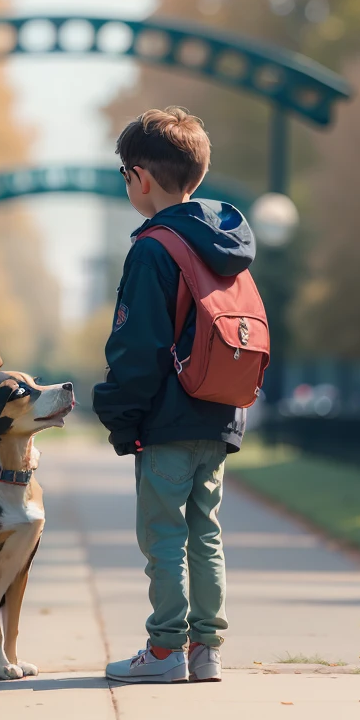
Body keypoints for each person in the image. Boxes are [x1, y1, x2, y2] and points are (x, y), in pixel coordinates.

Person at [93, 106, 255, 684]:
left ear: (139, 176)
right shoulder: (227, 246)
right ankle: (205, 650)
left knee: (162, 536)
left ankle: (164, 651)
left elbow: (138, 349)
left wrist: (117, 413)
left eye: (124, 177)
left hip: (167, 417)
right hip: (219, 411)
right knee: (204, 532)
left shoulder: (154, 248)